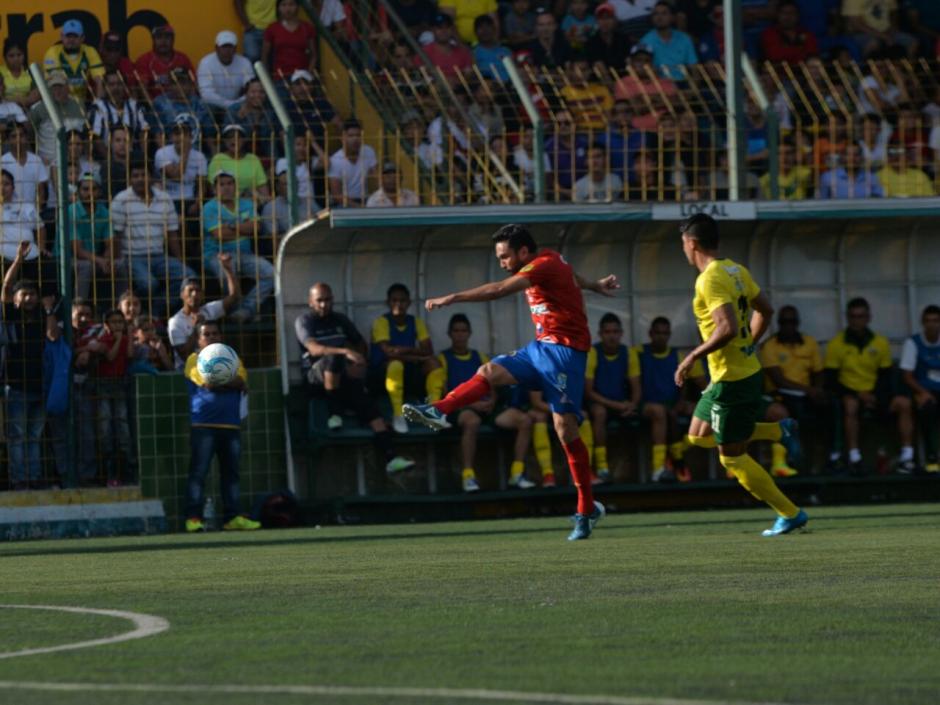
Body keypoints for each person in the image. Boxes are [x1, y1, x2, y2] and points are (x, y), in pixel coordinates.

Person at [403, 224, 618, 540]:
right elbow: (573, 277)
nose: (502, 262)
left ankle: (587, 508)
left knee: (564, 429)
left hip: (566, 355)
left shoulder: (543, 265)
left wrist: (453, 297)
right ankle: (439, 409)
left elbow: (497, 290)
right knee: (489, 372)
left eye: (505, 257)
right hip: (540, 348)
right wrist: (595, 285)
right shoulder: (551, 262)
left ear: (523, 253)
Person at [674, 213, 807, 537]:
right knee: (697, 436)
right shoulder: (735, 269)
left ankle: (790, 513)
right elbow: (766, 310)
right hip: (734, 373)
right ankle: (777, 432)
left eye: (683, 244)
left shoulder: (710, 279)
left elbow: (728, 327)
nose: (683, 250)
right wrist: (750, 345)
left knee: (731, 459)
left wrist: (692, 356)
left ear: (691, 243)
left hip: (732, 380)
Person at [296, 282, 415, 474]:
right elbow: (314, 349)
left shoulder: (340, 320)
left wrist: (359, 362)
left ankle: (391, 458)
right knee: (333, 358)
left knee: (367, 404)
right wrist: (345, 352)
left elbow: (361, 345)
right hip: (315, 377)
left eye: (327, 300)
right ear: (310, 302)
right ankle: (335, 413)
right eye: (319, 301)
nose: (324, 305)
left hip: (342, 377)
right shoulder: (304, 321)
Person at [435, 313, 532, 492]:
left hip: (488, 408)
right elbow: (445, 393)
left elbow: (492, 385)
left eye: (463, 330)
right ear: (450, 334)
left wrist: (491, 401)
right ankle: (468, 476)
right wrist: (472, 405)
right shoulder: (443, 358)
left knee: (524, 420)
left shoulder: (480, 356)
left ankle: (517, 473)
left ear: (469, 333)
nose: (460, 335)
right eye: (456, 331)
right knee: (472, 421)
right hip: (462, 408)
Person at [183, 320, 261, 532]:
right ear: (198, 339)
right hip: (203, 425)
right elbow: (209, 382)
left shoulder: (232, 357)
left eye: (215, 333)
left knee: (232, 475)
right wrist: (230, 382)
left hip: (230, 425)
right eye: (206, 334)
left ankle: (232, 517)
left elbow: (242, 380)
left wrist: (226, 381)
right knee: (198, 474)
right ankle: (193, 518)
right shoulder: (193, 359)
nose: (211, 337)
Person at [824, 297, 916, 475]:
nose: (857, 321)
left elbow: (886, 376)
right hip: (851, 394)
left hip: (876, 395)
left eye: (861, 316)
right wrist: (858, 394)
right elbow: (832, 380)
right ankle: (854, 457)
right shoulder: (837, 344)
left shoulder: (880, 342)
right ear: (848, 318)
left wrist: (875, 396)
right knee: (850, 405)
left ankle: (907, 457)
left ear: (868, 318)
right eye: (853, 317)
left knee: (904, 403)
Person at [1, 241, 59, 490]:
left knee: (34, 437)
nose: (29, 298)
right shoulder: (11, 316)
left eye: (32, 294)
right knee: (17, 437)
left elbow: (53, 336)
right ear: (15, 299)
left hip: (39, 385)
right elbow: (5, 287)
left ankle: (33, 479)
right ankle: (18, 480)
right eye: (24, 294)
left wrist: (48, 312)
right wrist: (17, 261)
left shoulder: (41, 316)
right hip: (15, 385)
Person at [109, 160, 196, 317]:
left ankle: (156, 312)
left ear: (151, 177)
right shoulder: (121, 200)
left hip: (159, 256)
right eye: (135, 176)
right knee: (149, 284)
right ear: (129, 179)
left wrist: (180, 260)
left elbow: (172, 234)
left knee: (188, 276)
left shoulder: (164, 198)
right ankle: (146, 313)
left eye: (144, 175)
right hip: (132, 257)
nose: (140, 179)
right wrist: (118, 261)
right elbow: (116, 236)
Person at [632, 316, 706, 483]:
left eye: (665, 333)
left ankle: (677, 451)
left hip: (672, 404)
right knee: (660, 412)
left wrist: (682, 401)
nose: (661, 337)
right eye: (657, 333)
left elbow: (685, 384)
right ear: (650, 333)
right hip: (647, 404)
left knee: (709, 412)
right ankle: (659, 468)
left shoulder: (677, 356)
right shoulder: (638, 353)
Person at [759, 305, 825, 476]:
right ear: (779, 324)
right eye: (784, 322)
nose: (789, 325)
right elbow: (778, 380)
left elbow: (818, 372)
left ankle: (833, 458)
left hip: (806, 395)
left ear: (798, 323)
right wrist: (810, 391)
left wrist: (817, 390)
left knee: (831, 408)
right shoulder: (770, 346)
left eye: (792, 321)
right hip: (778, 394)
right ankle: (788, 462)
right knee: (788, 414)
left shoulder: (809, 342)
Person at [369, 283, 443, 433]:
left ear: (408, 302)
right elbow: (389, 353)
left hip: (408, 371)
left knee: (434, 363)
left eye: (402, 301)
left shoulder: (416, 322)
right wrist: (415, 355)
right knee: (395, 364)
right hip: (382, 376)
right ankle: (398, 414)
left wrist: (404, 350)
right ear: (388, 302)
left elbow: (428, 350)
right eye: (394, 300)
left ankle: (433, 411)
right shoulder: (381, 322)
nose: (398, 304)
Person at [201, 171, 274, 322]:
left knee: (271, 273)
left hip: (245, 254)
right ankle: (234, 315)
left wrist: (232, 226)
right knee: (227, 275)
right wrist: (243, 227)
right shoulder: (209, 207)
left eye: (230, 183)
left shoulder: (247, 204)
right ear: (215, 189)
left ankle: (247, 309)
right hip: (217, 254)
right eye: (222, 184)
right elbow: (220, 234)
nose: (226, 188)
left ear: (235, 187)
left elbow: (256, 229)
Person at [584, 313, 638, 483]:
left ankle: (656, 468)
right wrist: (616, 405)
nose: (612, 336)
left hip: (622, 404)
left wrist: (632, 404)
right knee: (599, 413)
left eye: (615, 332)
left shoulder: (628, 353)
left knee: (654, 414)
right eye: (607, 332)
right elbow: (588, 391)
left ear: (621, 333)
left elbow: (637, 387)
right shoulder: (592, 352)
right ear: (600, 334)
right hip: (599, 402)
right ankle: (601, 466)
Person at [167, 254, 242, 368]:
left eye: (198, 290)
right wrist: (196, 328)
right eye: (190, 290)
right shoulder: (176, 321)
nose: (194, 294)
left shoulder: (208, 309)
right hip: (188, 368)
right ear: (182, 295)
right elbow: (184, 355)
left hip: (211, 362)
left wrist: (228, 269)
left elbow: (234, 297)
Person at [900, 305, 940, 474]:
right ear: (922, 323)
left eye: (936, 321)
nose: (932, 325)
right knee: (927, 408)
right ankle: (931, 456)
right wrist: (922, 392)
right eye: (928, 321)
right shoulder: (913, 342)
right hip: (923, 390)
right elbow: (907, 376)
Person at [96, 308, 133, 487]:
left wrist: (129, 334)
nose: (118, 325)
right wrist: (118, 339)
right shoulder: (104, 340)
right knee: (106, 428)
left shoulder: (125, 339)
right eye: (114, 322)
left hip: (120, 385)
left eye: (120, 322)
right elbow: (110, 357)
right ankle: (109, 472)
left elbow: (130, 355)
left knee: (122, 426)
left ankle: (126, 471)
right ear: (106, 325)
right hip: (105, 386)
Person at [68, 172, 115, 300]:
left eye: (94, 189)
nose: (90, 193)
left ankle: (119, 308)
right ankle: (78, 307)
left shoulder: (104, 212)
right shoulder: (70, 211)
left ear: (100, 192)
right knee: (85, 266)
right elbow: (76, 250)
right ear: (78, 192)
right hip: (69, 259)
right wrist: (100, 260)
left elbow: (110, 243)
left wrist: (106, 259)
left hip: (93, 258)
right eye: (85, 189)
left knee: (120, 264)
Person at [28, 70, 85, 165]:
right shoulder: (38, 108)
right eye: (53, 87)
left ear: (67, 87)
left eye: (60, 86)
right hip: (47, 163)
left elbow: (84, 135)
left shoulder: (79, 105)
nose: (57, 90)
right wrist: (37, 158)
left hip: (73, 164)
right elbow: (29, 136)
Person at [88, 70, 149, 156]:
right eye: (111, 84)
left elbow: (143, 134)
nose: (116, 87)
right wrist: (112, 161)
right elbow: (96, 139)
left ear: (124, 87)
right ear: (105, 87)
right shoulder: (98, 107)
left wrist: (142, 157)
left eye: (119, 84)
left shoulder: (134, 106)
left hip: (133, 159)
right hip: (106, 159)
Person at [43, 19, 105, 103]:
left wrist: (99, 104)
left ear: (82, 38)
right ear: (62, 36)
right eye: (68, 36)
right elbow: (56, 85)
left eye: (75, 36)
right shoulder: (53, 52)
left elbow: (99, 80)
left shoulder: (90, 51)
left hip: (82, 101)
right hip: (59, 101)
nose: (71, 40)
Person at [639, 2, 698, 80]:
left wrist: (693, 89)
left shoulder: (684, 39)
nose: (659, 17)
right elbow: (643, 72)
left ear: (672, 17)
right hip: (658, 86)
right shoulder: (645, 41)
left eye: (664, 13)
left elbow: (694, 68)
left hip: (684, 84)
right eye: (656, 14)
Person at [198, 31, 255, 111]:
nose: (227, 51)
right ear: (217, 48)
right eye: (224, 47)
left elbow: (251, 89)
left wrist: (237, 104)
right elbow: (206, 94)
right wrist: (230, 105)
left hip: (239, 105)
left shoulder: (245, 62)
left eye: (230, 47)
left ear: (235, 49)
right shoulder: (205, 63)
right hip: (214, 106)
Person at [134, 25, 195, 98]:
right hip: (156, 105)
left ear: (173, 40)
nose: (163, 41)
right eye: (159, 37)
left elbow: (193, 84)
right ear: (153, 40)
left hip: (182, 103)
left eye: (167, 37)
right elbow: (142, 88)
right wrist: (152, 107)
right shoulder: (144, 60)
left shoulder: (182, 58)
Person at [262, 0, 318, 79]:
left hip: (301, 78)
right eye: (283, 5)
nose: (288, 8)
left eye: (291, 4)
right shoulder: (272, 28)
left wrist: (308, 74)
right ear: (278, 8)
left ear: (297, 7)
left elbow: (314, 55)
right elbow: (265, 56)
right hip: (280, 78)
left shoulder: (307, 28)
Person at [328, 119, 378, 207]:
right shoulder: (335, 160)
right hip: (344, 203)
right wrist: (358, 207)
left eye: (358, 135)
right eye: (350, 136)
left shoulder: (369, 151)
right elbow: (336, 195)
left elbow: (377, 178)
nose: (355, 139)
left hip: (365, 199)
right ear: (342, 138)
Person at [1, 122, 48, 210]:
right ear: (8, 140)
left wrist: (37, 211)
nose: (18, 139)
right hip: (7, 212)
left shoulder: (36, 160)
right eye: (13, 136)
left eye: (21, 135)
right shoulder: (3, 161)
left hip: (31, 212)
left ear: (27, 137)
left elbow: (41, 190)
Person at [423, 14, 474, 80]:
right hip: (434, 89)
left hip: (461, 88)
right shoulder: (424, 52)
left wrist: (456, 80)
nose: (444, 31)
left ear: (452, 29)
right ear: (432, 30)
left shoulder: (463, 52)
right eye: (439, 28)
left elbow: (470, 76)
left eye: (447, 27)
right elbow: (421, 77)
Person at [585, 3, 632, 70]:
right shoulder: (591, 42)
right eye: (601, 18)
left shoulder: (624, 39)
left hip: (623, 77)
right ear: (597, 21)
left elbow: (628, 61)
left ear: (614, 20)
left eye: (608, 18)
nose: (605, 22)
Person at [1, 39, 39, 109]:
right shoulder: (1, 72)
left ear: (24, 55)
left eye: (19, 55)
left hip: (28, 109)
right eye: (11, 56)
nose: (16, 59)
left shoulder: (30, 72)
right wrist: (18, 102)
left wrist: (26, 101)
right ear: (5, 57)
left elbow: (36, 95)